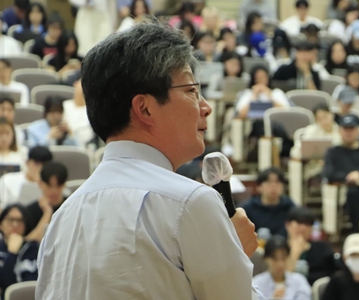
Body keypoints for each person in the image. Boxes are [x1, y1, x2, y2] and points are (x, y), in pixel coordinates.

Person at [36, 21, 263, 299]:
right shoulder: (191, 203)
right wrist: (233, 252)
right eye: (192, 91)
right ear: (144, 108)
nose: (205, 108)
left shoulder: (61, 219)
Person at [323, 114, 359, 233]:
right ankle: (357, 231)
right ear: (339, 131)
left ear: (358, 131)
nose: (348, 133)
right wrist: (348, 177)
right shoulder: (333, 152)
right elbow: (328, 173)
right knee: (353, 193)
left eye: (352, 129)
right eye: (345, 129)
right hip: (347, 190)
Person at [241, 167, 296, 237]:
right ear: (259, 187)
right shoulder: (246, 209)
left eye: (277, 182)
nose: (273, 185)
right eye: (268, 182)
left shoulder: (290, 207)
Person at [253, 236, 311, 300]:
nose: (280, 264)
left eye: (284, 258)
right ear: (265, 258)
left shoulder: (299, 281)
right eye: (275, 259)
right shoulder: (256, 284)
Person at [0, 204, 39, 297]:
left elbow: (33, 284)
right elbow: (5, 283)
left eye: (20, 220)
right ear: (1, 224)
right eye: (10, 220)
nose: (15, 224)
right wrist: (12, 253)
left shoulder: (34, 249)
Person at [25, 161, 67, 243]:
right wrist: (47, 213)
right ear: (40, 184)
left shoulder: (71, 206)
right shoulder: (29, 211)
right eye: (49, 186)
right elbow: (28, 243)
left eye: (58, 186)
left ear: (64, 185)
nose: (54, 191)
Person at [62, 78, 94, 147]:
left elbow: (88, 137)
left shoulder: (92, 112)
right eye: (82, 84)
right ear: (75, 84)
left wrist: (71, 134)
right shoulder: (63, 106)